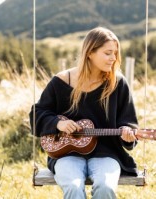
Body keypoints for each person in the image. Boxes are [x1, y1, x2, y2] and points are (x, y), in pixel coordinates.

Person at [29, 27, 139, 199]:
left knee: (105, 187)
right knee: (73, 187)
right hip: (66, 154)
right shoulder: (62, 81)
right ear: (90, 53)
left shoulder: (117, 83)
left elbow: (129, 122)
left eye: (115, 53)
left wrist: (128, 134)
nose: (114, 58)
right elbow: (37, 113)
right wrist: (58, 123)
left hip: (107, 152)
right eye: (108, 53)